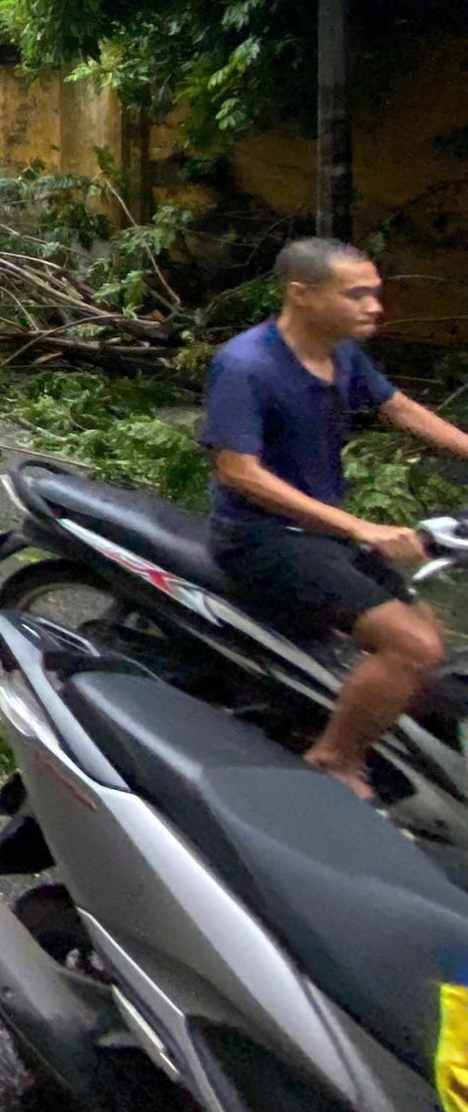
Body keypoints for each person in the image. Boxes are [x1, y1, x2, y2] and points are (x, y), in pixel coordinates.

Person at [201, 238, 468, 799]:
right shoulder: (246, 365)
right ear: (303, 295)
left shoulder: (341, 352)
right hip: (261, 538)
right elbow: (238, 472)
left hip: (320, 532)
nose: (375, 306)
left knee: (434, 642)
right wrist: (361, 528)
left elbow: (399, 409)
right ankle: (335, 758)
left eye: (375, 293)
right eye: (358, 294)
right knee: (413, 647)